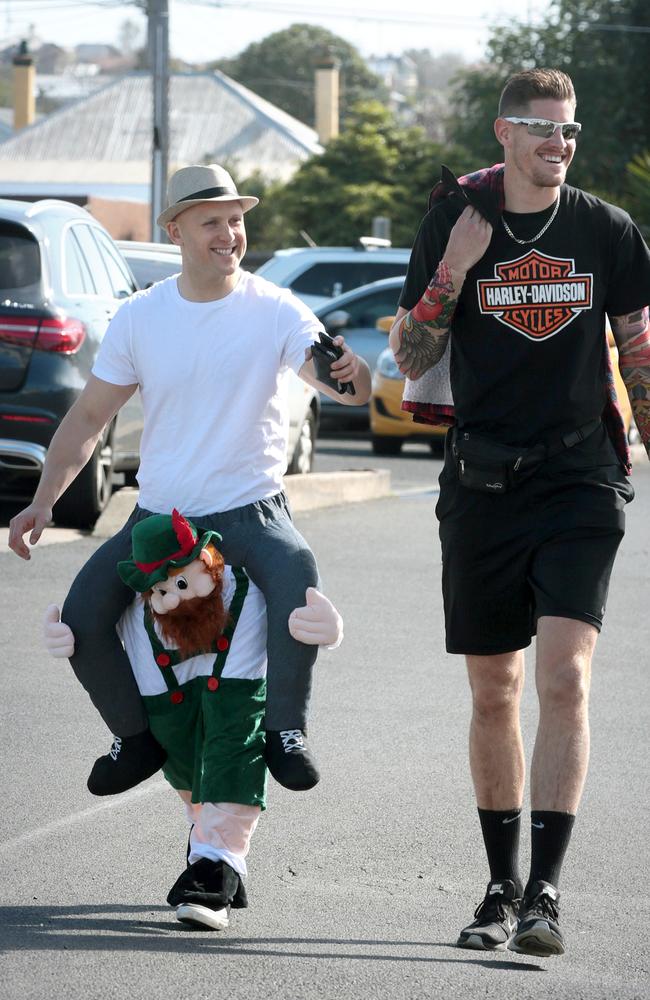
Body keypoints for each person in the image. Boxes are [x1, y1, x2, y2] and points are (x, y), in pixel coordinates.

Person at [389, 68, 650, 958]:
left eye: (569, 132)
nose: (560, 145)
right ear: (503, 134)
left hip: (580, 477)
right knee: (494, 688)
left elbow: (639, 349)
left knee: (566, 678)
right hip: (482, 482)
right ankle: (498, 888)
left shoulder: (605, 229)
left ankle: (546, 892)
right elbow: (410, 349)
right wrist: (456, 270)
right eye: (542, 130)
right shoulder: (453, 221)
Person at [9, 163, 371, 797]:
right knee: (82, 619)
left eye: (236, 220)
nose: (230, 234)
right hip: (161, 519)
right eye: (212, 222)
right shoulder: (140, 317)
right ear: (175, 230)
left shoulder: (276, 309)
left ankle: (286, 733)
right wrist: (42, 502)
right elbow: (89, 417)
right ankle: (135, 738)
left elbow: (342, 385)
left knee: (299, 580)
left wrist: (350, 371)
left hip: (250, 511)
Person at [43, 510, 344, 931]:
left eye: (179, 583)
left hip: (235, 678)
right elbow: (96, 622)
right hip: (169, 698)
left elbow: (292, 593)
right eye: (159, 590)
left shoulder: (244, 585)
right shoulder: (143, 605)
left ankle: (214, 869)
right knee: (180, 754)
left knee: (234, 739)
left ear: (208, 563)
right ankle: (210, 843)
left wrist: (328, 629)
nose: (169, 598)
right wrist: (73, 634)